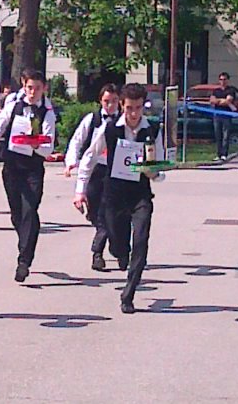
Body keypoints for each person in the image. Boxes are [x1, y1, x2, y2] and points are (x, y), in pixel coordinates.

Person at [73, 83, 164, 314]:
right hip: (114, 195)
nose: (134, 114)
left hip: (140, 195)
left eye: (138, 108)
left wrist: (154, 172)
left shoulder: (152, 130)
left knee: (141, 241)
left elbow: (159, 165)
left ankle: (128, 295)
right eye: (129, 108)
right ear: (122, 106)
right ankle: (119, 252)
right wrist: (80, 190)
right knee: (118, 244)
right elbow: (90, 157)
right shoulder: (111, 129)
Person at [0, 70, 56, 282]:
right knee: (17, 213)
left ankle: (24, 260)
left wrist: (36, 145)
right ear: (24, 86)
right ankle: (24, 241)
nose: (32, 92)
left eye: (37, 88)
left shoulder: (47, 112)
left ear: (44, 89)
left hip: (33, 167)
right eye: (29, 88)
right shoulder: (14, 105)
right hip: (12, 165)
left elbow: (48, 146)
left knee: (29, 210)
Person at [64, 83, 127, 272]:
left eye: (114, 101)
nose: (111, 105)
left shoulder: (125, 121)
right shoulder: (92, 120)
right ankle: (113, 247)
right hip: (96, 170)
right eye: (107, 101)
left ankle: (101, 252)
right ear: (100, 101)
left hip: (117, 171)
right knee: (96, 213)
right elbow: (77, 141)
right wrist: (71, 161)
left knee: (112, 215)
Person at [209, 72, 236, 161]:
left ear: (227, 80)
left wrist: (219, 101)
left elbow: (228, 101)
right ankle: (218, 154)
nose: (222, 81)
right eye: (221, 79)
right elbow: (212, 100)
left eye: (224, 79)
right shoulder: (216, 91)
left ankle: (224, 154)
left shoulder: (231, 90)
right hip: (217, 115)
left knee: (226, 136)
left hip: (226, 115)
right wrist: (221, 100)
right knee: (218, 136)